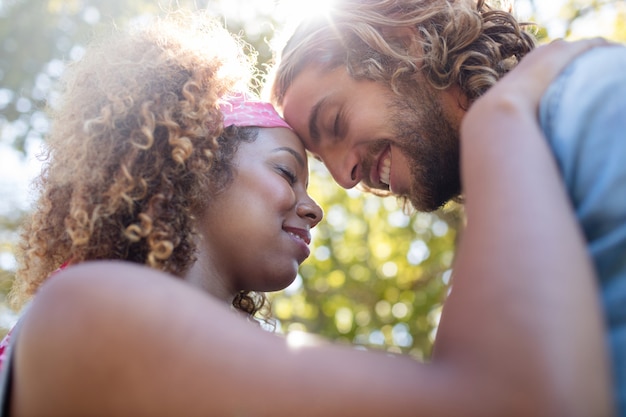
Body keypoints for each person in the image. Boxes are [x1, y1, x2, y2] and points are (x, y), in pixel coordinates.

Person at [0, 9, 614, 417]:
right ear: (188, 173)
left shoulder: (231, 366)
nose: (330, 193)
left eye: (333, 134)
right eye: (288, 170)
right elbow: (512, 398)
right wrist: (501, 121)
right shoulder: (80, 317)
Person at [270, 0, 625, 414]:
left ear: (405, 44)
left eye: (334, 122)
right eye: (322, 161)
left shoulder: (589, 100)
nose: (345, 178)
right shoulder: (500, 230)